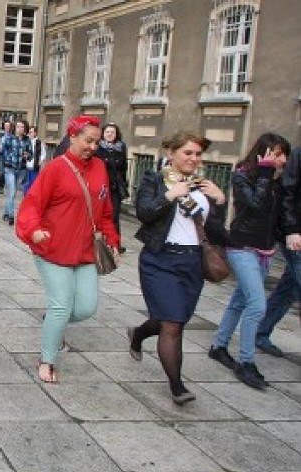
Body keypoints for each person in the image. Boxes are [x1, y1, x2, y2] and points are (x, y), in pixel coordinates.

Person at [17, 115, 120, 384]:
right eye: (88, 140)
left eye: (97, 142)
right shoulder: (55, 168)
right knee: (61, 306)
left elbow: (105, 210)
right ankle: (47, 360)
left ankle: (53, 322)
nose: (93, 147)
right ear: (72, 137)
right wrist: (33, 231)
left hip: (85, 250)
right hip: (53, 249)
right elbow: (31, 205)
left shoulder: (99, 167)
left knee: (86, 307)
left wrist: (112, 239)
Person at [127, 131, 228, 404]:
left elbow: (218, 234)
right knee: (172, 325)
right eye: (188, 153)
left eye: (198, 154)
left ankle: (138, 333)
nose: (194, 159)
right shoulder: (154, 180)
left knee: (172, 319)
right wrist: (170, 195)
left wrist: (220, 201)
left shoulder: (205, 186)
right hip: (160, 260)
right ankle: (177, 386)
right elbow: (145, 213)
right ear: (171, 154)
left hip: (193, 262)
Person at [207, 133, 290, 389]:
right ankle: (246, 362)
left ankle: (219, 345)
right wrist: (265, 173)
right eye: (276, 154)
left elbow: (276, 218)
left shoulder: (277, 182)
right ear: (263, 153)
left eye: (284, 154)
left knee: (239, 301)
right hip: (242, 247)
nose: (282, 159)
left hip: (265, 251)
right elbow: (254, 204)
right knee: (257, 305)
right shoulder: (242, 175)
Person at [256, 145, 301, 357]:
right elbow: (287, 192)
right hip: (297, 236)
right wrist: (292, 229)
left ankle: (261, 332)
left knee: (289, 288)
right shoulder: (299, 154)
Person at [95, 123, 130, 251]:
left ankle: (116, 243)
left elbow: (124, 167)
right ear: (103, 134)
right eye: (107, 132)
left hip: (115, 186)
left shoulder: (121, 147)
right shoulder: (98, 147)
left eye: (112, 132)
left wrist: (123, 184)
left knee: (114, 215)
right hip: (101, 186)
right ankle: (98, 241)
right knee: (98, 213)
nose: (110, 134)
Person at [0, 119, 32, 225]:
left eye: (22, 127)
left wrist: (28, 156)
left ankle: (7, 212)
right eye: (18, 126)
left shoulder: (27, 140)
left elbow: (31, 154)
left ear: (25, 128)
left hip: (21, 169)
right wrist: (9, 156)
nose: (19, 129)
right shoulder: (9, 138)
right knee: (12, 192)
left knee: (13, 192)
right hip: (10, 168)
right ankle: (11, 216)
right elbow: (3, 151)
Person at [24, 125, 46, 194]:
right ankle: (26, 197)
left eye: (31, 132)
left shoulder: (39, 143)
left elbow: (43, 153)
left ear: (35, 133)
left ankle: (31, 197)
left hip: (34, 166)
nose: (30, 133)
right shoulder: (26, 141)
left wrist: (40, 160)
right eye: (29, 132)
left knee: (33, 183)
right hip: (26, 166)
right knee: (26, 184)